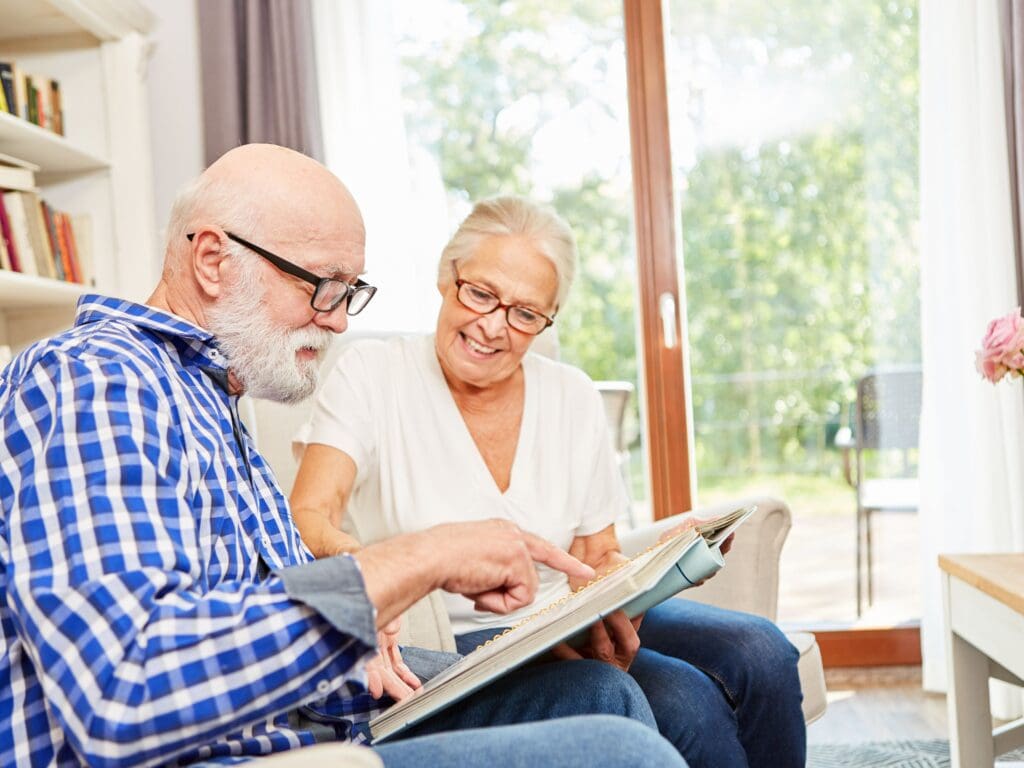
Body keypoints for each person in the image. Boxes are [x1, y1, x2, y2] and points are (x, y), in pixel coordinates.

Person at [0, 146, 689, 768]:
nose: (338, 319)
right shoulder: (93, 379)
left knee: (599, 690)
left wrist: (357, 631)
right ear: (212, 259)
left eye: (349, 290)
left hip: (316, 709)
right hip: (255, 749)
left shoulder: (211, 399)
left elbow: (239, 605)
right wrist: (419, 561)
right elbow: (121, 691)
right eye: (321, 284)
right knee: (619, 749)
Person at [290, 195, 807, 768]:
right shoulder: (373, 375)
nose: (493, 326)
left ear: (548, 318)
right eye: (481, 293)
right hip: (458, 645)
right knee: (689, 705)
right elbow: (309, 515)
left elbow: (596, 554)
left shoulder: (572, 394)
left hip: (566, 619)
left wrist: (650, 570)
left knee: (761, 651)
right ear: (446, 277)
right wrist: (373, 584)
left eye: (525, 313)